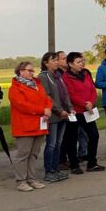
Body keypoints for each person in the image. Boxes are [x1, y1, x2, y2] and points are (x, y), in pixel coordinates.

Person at [8, 60, 50, 191]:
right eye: (29, 70)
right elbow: (22, 105)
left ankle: (31, 178)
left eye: (33, 70)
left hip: (39, 123)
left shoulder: (37, 84)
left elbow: (47, 98)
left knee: (34, 154)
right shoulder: (15, 88)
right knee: (23, 154)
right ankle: (21, 180)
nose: (32, 73)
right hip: (24, 125)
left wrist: (48, 109)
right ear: (21, 71)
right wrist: (42, 110)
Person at [62, 52, 105, 173]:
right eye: (78, 62)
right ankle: (74, 165)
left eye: (82, 61)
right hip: (75, 112)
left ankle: (92, 163)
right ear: (70, 64)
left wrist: (91, 102)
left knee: (94, 135)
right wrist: (84, 104)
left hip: (88, 111)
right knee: (72, 138)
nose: (82, 64)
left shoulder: (86, 73)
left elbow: (92, 89)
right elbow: (70, 94)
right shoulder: (66, 77)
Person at [38, 52, 71, 182]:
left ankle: (56, 169)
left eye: (57, 60)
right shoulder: (43, 77)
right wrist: (59, 110)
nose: (57, 62)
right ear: (46, 62)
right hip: (53, 116)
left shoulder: (58, 76)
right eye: (54, 60)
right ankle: (49, 171)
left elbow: (65, 94)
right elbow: (47, 97)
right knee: (51, 144)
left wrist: (70, 108)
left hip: (63, 114)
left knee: (58, 144)